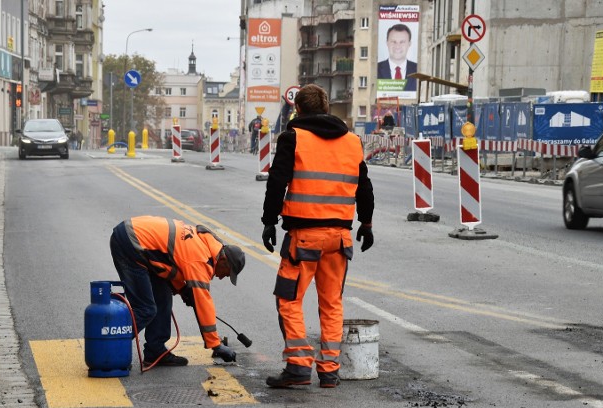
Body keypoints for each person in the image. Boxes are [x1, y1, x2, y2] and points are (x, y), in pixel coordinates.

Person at [260, 84, 375, 389]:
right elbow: (364, 186)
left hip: (304, 239)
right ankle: (329, 370)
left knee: (288, 298)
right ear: (326, 109)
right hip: (339, 239)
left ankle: (298, 365)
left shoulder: (293, 138)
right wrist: (366, 223)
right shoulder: (352, 142)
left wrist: (269, 222)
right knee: (332, 303)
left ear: (297, 109)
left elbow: (277, 183)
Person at [109, 216, 245, 367]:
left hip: (139, 242)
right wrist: (216, 345)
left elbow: (171, 263)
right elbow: (203, 302)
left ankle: (155, 352)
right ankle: (108, 350)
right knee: (145, 309)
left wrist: (182, 289)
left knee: (163, 296)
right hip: (130, 244)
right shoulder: (201, 259)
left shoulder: (208, 245)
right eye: (226, 273)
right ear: (224, 261)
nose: (222, 277)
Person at [377, 23, 418, 90]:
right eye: (393, 42)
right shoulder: (376, 69)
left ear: (409, 44)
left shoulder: (418, 70)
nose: (397, 46)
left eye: (402, 42)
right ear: (387, 43)